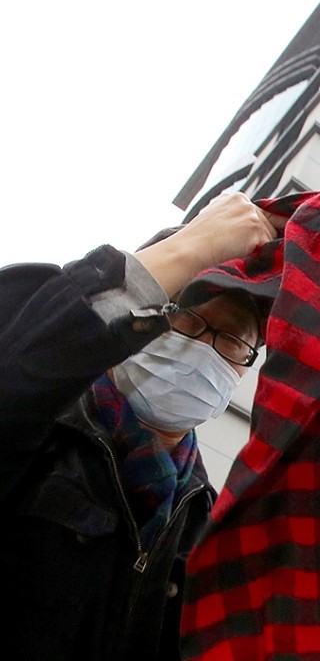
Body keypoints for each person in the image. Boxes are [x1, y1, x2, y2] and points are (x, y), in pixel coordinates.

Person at [0, 192, 284, 661]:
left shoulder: (206, 522)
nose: (203, 347)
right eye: (185, 318)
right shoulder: (41, 430)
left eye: (233, 338)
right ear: (141, 319)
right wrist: (190, 248)